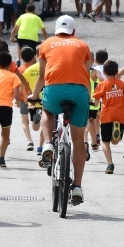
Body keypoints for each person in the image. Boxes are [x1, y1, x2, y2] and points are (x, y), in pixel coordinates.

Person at [29, 15, 91, 205]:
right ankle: (78, 187)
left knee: (48, 111)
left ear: (56, 30)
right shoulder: (83, 46)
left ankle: (47, 143)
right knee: (78, 142)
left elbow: (42, 76)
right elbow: (86, 74)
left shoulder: (46, 44)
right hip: (79, 92)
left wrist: (33, 95)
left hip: (54, 89)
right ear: (73, 31)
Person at [93, 60, 124, 174]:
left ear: (104, 72)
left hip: (107, 115)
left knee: (105, 142)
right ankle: (116, 131)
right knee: (115, 142)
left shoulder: (101, 85)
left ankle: (110, 164)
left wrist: (93, 102)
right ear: (117, 71)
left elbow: (96, 103)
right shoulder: (122, 83)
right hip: (120, 114)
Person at [18, 47, 43, 152]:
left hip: (26, 98)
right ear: (34, 57)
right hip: (41, 97)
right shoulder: (43, 67)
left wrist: (22, 97)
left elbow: (19, 85)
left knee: (24, 122)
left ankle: (29, 141)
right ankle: (37, 121)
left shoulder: (21, 70)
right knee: (36, 127)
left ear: (21, 58)